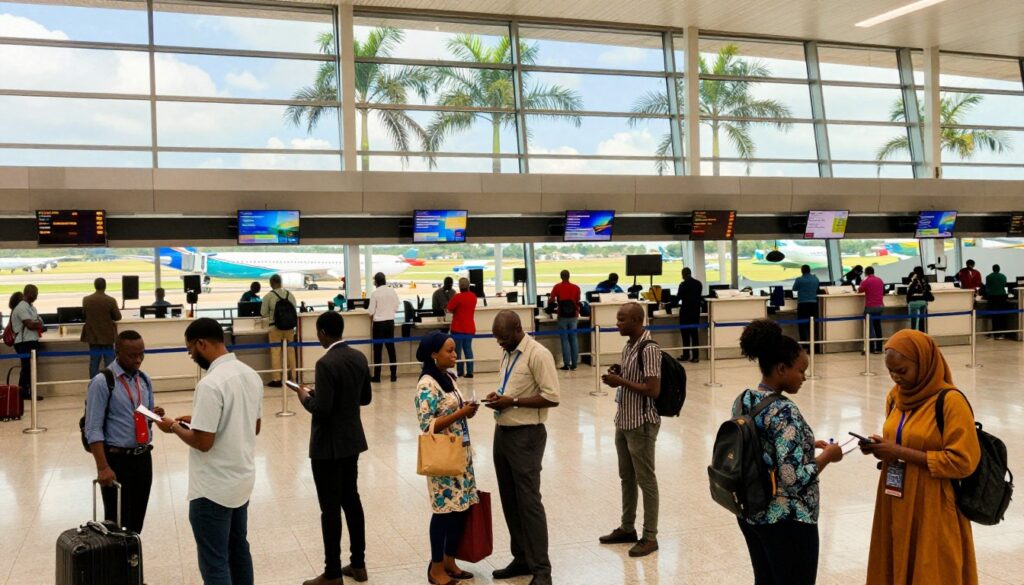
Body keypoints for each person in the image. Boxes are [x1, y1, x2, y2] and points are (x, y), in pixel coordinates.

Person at [860, 329, 980, 585]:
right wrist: (881, 448)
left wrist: (900, 452)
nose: (896, 377)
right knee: (894, 558)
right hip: (895, 495)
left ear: (924, 363)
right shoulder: (895, 397)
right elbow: (899, 438)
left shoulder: (950, 401)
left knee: (932, 567)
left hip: (933, 501)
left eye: (902, 371)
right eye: (891, 371)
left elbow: (963, 461)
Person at [732, 320, 844, 585]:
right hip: (787, 519)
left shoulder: (744, 399)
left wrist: (804, 443)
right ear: (781, 369)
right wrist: (829, 456)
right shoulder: (785, 410)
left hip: (751, 512)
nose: (804, 377)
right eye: (801, 370)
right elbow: (792, 477)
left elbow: (761, 443)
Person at [156, 318, 263, 585]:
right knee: (239, 550)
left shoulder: (210, 383)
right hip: (241, 482)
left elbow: (203, 442)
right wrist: (199, 418)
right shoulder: (250, 374)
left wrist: (173, 427)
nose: (191, 355)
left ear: (201, 343)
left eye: (190, 349)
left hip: (212, 489)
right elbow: (254, 425)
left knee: (215, 562)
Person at [289, 312, 371, 585]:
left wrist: (304, 396)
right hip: (351, 441)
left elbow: (322, 411)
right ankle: (358, 564)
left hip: (327, 447)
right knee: (352, 500)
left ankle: (332, 572)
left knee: (330, 509)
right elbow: (365, 398)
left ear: (323, 332)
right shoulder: (358, 357)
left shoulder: (325, 363)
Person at [484, 310, 559, 585]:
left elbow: (552, 397)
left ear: (517, 329)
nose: (500, 343)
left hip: (526, 435)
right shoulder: (508, 351)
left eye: (503, 338)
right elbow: (512, 388)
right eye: (497, 339)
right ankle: (522, 557)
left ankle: (542, 570)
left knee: (528, 503)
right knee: (510, 500)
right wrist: (500, 397)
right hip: (502, 431)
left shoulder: (538, 354)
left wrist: (513, 401)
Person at [415, 331, 479, 585]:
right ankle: (436, 568)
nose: (455, 355)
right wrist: (460, 413)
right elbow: (427, 424)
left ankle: (450, 560)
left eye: (454, 350)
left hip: (460, 453)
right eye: (449, 351)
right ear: (434, 355)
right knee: (444, 511)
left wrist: (467, 412)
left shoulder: (448, 378)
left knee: (460, 509)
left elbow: (455, 409)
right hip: (442, 457)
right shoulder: (427, 384)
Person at [598, 303, 662, 558]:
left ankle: (650, 536)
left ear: (636, 320)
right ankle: (627, 527)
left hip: (642, 423)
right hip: (624, 420)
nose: (617, 323)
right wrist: (621, 372)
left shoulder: (650, 348)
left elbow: (653, 389)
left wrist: (619, 381)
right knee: (627, 477)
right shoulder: (629, 346)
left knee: (646, 480)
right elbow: (636, 377)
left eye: (622, 319)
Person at [84, 330, 162, 534]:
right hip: (116, 461)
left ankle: (131, 563)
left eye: (142, 354)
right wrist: (102, 467)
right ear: (117, 352)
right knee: (116, 523)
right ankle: (115, 565)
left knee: (136, 522)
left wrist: (154, 415)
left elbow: (142, 412)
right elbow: (93, 428)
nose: (138, 360)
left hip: (143, 459)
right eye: (132, 355)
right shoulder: (102, 382)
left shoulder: (144, 379)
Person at [260, 274, 297, 387]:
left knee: (276, 352)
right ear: (281, 282)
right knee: (290, 351)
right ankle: (294, 378)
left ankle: (277, 379)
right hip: (289, 328)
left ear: (271, 283)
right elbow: (294, 308)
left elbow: (263, 313)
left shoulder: (269, 296)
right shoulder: (289, 294)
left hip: (275, 328)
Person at [82, 277, 123, 380]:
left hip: (93, 336)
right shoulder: (110, 300)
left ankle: (93, 385)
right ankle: (110, 384)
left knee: (94, 364)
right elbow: (118, 317)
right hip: (107, 336)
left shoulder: (86, 299)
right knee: (109, 364)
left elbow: (84, 315)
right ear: (105, 287)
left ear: (95, 286)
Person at [11, 284, 44, 401]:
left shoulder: (31, 307)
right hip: (24, 342)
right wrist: (37, 324)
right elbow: (31, 325)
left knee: (30, 369)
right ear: (29, 293)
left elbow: (39, 322)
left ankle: (27, 392)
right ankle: (23, 393)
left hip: (32, 341)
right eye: (35, 294)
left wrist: (37, 323)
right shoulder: (21, 307)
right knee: (26, 369)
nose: (36, 296)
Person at [368, 272, 399, 383]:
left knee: (378, 351)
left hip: (379, 324)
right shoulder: (392, 291)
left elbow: (371, 311)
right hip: (390, 323)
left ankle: (377, 376)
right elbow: (396, 306)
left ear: (376, 282)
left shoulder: (375, 293)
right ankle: (393, 376)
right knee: (391, 349)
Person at [549, 270, 581, 370]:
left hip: (562, 316)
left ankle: (566, 364)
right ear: (569, 276)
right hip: (573, 315)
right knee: (574, 339)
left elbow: (551, 299)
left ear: (561, 277)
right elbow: (578, 300)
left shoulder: (557, 287)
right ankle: (574, 364)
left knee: (565, 340)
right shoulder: (576, 287)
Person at [446, 278, 478, 379]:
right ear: (468, 286)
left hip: (458, 328)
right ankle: (470, 372)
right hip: (469, 328)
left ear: (459, 287)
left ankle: (460, 372)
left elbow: (449, 308)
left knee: (458, 352)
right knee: (468, 350)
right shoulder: (473, 296)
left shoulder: (457, 297)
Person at [675, 267, 703, 363]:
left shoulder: (683, 285)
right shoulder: (698, 284)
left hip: (685, 312)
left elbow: (678, 298)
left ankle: (686, 355)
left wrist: (670, 303)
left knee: (685, 335)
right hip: (695, 312)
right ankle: (696, 356)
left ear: (683, 274)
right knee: (694, 335)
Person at [792, 265, 820, 352]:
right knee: (813, 325)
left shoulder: (799, 279)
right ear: (809, 270)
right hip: (814, 303)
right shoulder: (815, 279)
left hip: (802, 304)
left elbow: (794, 289)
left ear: (802, 271)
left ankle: (805, 345)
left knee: (802, 325)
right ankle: (815, 346)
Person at [859, 266, 885, 353]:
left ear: (866, 273)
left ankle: (871, 348)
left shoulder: (866, 281)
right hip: (880, 306)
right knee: (878, 326)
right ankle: (879, 348)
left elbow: (860, 290)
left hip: (870, 307)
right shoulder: (880, 280)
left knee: (869, 328)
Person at [985, 264, 1008, 339]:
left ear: (993, 269)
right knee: (1002, 316)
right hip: (1002, 297)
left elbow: (987, 287)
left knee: (994, 316)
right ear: (999, 269)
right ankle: (1003, 333)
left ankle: (995, 334)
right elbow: (1004, 285)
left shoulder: (989, 277)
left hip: (992, 298)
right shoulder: (1003, 276)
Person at [906, 267, 930, 332]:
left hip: (914, 301)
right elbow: (928, 289)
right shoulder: (925, 279)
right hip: (923, 301)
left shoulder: (915, 279)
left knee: (914, 320)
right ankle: (922, 333)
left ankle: (914, 334)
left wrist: (908, 301)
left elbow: (910, 291)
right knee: (922, 320)